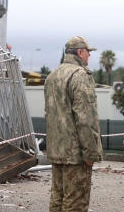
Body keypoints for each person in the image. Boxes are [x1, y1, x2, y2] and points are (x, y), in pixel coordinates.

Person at [44, 36, 103, 212]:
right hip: (76, 154)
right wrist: (90, 153)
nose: (89, 57)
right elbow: (86, 119)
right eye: (88, 53)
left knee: (58, 198)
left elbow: (49, 114)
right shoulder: (80, 76)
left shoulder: (52, 76)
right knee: (75, 202)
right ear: (80, 52)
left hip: (57, 150)